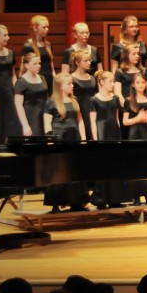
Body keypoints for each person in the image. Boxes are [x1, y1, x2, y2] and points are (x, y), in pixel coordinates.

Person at [43, 73, 88, 212]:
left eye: (72, 83)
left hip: (73, 138)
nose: (72, 86)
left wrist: (83, 138)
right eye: (69, 84)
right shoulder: (52, 102)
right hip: (59, 139)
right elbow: (47, 123)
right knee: (59, 171)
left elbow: (80, 120)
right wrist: (50, 140)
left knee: (75, 170)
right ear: (60, 87)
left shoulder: (74, 100)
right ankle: (56, 203)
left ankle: (77, 202)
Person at [122, 72, 147, 204]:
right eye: (138, 82)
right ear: (133, 84)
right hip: (135, 134)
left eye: (143, 82)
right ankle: (136, 196)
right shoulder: (128, 101)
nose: (141, 85)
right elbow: (125, 122)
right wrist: (138, 118)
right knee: (136, 165)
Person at [89, 70, 124, 208]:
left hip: (114, 132)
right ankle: (101, 199)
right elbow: (93, 121)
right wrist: (96, 138)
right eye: (110, 82)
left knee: (115, 165)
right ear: (101, 82)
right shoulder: (94, 99)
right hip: (102, 133)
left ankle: (115, 198)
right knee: (103, 166)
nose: (113, 84)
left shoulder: (115, 98)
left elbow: (116, 118)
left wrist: (119, 134)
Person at [70, 49, 99, 142]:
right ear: (77, 62)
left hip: (92, 110)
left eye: (90, 60)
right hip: (80, 110)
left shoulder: (93, 78)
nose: (89, 63)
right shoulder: (72, 78)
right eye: (86, 61)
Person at [14, 54, 47, 136]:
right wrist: (25, 125)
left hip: (43, 115)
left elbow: (47, 98)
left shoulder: (42, 78)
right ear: (26, 65)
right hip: (31, 117)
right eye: (35, 64)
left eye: (39, 63)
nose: (38, 66)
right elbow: (18, 105)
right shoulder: (21, 82)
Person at [22, 15, 55, 93]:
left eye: (47, 27)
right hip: (36, 80)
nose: (47, 29)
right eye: (44, 27)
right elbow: (24, 67)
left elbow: (51, 65)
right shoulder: (28, 45)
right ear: (35, 28)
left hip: (49, 79)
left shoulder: (48, 45)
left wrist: (54, 78)